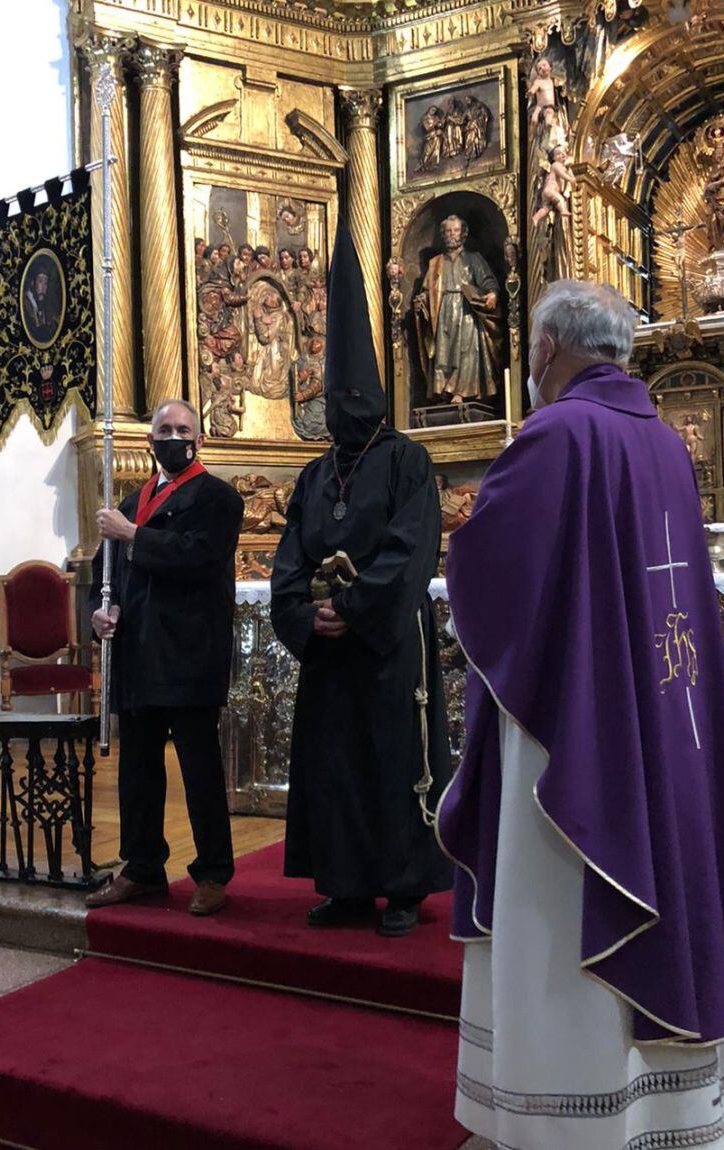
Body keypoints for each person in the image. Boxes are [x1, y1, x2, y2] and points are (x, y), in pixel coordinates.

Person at [435, 280, 724, 1149]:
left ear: (547, 349)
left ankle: (566, 1111)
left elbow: (487, 566)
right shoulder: (664, 442)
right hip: (664, 711)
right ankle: (666, 1110)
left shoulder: (555, 433)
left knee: (564, 894)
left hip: (577, 729)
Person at [271, 221, 452, 938]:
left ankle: (404, 885)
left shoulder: (408, 462)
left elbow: (412, 550)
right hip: (330, 649)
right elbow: (289, 553)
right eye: (334, 391)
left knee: (393, 757)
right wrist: (303, 612)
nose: (343, 403)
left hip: (384, 643)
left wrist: (353, 605)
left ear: (373, 394)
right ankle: (345, 885)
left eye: (354, 391)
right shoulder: (317, 473)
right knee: (335, 764)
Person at [86, 399, 244, 916]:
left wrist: (132, 535)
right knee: (138, 769)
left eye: (182, 429)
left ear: (198, 438)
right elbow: (101, 576)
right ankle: (142, 866)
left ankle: (214, 872)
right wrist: (99, 613)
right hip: (137, 654)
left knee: (199, 767)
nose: (173, 437)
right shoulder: (133, 501)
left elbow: (197, 556)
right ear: (150, 439)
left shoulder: (218, 498)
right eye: (164, 429)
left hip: (189, 652)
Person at [413, 215, 502, 404]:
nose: (451, 235)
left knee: (467, 350)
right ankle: (443, 390)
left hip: (467, 310)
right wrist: (422, 299)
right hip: (443, 310)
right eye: (447, 231)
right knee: (443, 351)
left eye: (455, 230)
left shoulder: (474, 259)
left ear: (463, 234)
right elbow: (427, 290)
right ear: (443, 235)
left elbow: (488, 282)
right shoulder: (436, 262)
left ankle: (462, 391)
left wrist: (492, 294)